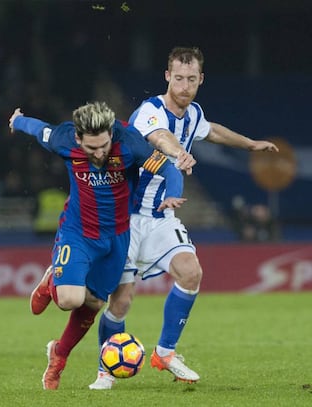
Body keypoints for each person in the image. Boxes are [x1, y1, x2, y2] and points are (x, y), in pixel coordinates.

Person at [87, 46, 279, 389]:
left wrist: (250, 144)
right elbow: (160, 138)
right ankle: (105, 369)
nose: (184, 86)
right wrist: (180, 153)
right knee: (122, 299)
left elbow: (211, 130)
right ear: (167, 77)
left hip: (162, 216)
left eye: (191, 79)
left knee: (191, 273)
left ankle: (165, 352)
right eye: (178, 78)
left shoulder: (193, 114)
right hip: (127, 217)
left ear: (200, 79)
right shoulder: (150, 111)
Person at [8, 101, 188, 390]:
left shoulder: (130, 144)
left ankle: (59, 355)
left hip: (117, 238)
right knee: (69, 299)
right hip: (78, 232)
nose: (100, 153)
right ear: (78, 139)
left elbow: (169, 170)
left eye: (104, 146)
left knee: (92, 304)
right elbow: (40, 129)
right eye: (92, 149)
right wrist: (18, 121)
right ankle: (53, 278)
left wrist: (173, 194)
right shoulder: (64, 139)